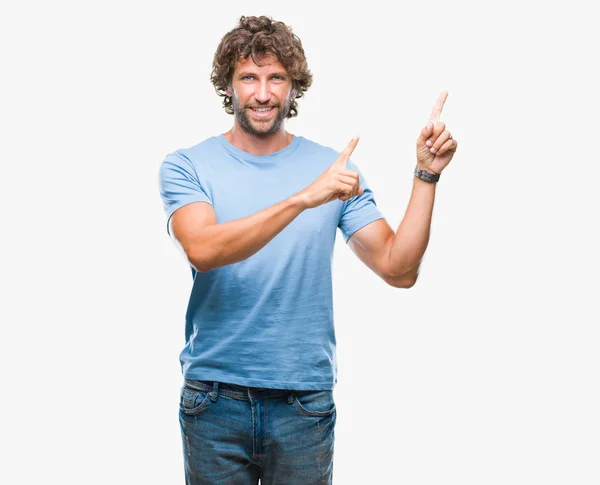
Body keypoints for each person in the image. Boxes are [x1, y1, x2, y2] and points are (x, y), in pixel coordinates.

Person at [158, 14, 457, 485]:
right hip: (214, 399)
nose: (262, 93)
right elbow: (203, 248)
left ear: (293, 87)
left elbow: (399, 269)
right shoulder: (188, 165)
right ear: (228, 86)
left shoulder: (331, 168)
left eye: (276, 77)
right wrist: (303, 198)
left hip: (303, 401)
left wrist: (426, 175)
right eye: (248, 78)